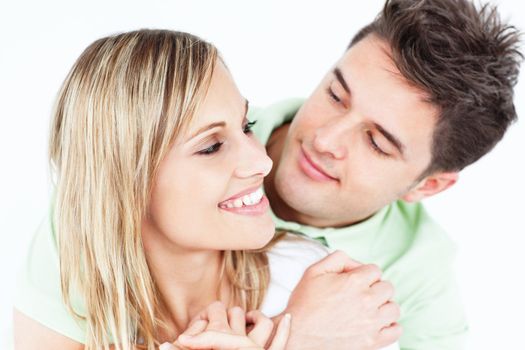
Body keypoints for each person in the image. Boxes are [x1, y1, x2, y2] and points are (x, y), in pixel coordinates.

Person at [12, 30, 400, 350]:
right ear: (127, 182)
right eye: (211, 146)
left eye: (246, 125)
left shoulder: (327, 292)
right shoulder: (68, 292)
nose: (261, 162)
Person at [247, 0, 522, 349]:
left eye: (376, 143)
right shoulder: (182, 131)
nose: (325, 139)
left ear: (429, 185)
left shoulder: (419, 281)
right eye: (335, 95)